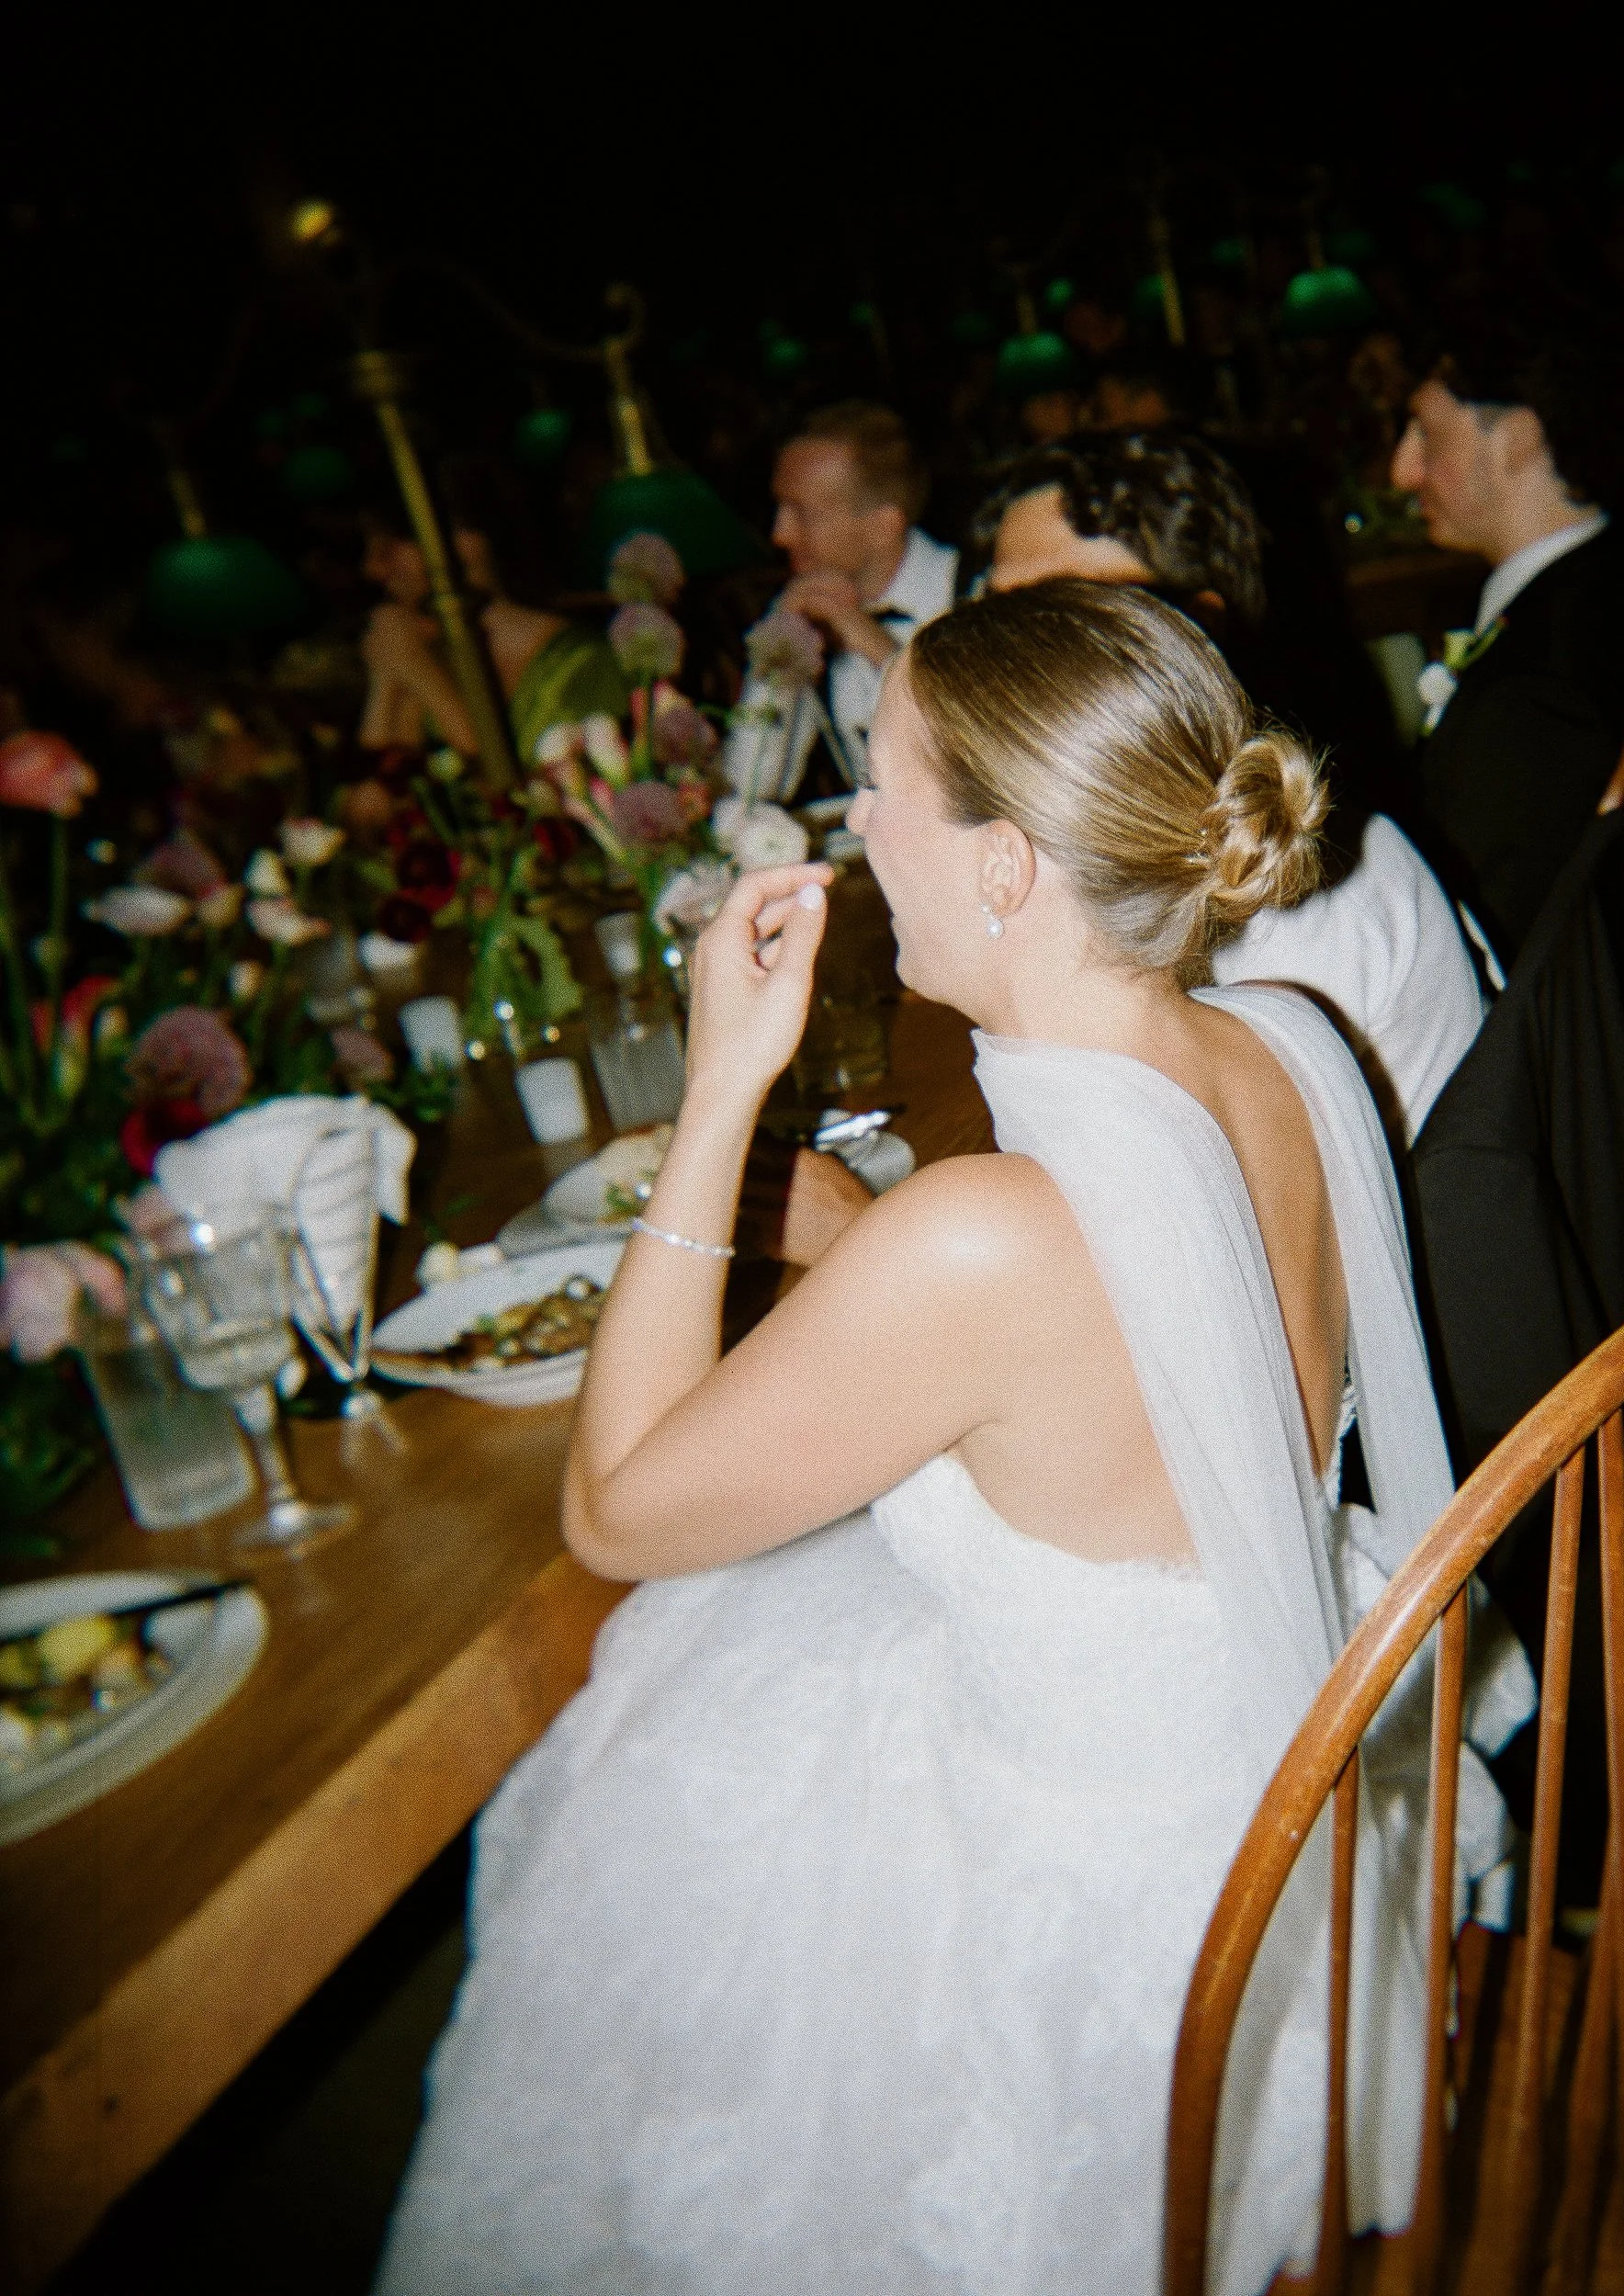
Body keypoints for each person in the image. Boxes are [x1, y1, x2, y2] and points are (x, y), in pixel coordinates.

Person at [378, 582, 1528, 2295]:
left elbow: (613, 1506)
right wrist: (871, 1240)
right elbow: (1134, 1328)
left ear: (1004, 865)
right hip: (1272, 1772)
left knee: (649, 1746)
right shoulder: (1288, 1048)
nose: (855, 819)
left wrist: (718, 1101)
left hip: (1128, 1932)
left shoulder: (986, 1234)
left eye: (884, 780)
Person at [976, 434, 1482, 1144]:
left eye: (1059, 617)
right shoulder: (1124, 838)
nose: (1000, 660)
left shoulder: (1277, 890)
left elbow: (1210, 1228)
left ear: (1196, 629)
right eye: (995, 617)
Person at [1392, 326, 1624, 978]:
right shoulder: (1618, 586)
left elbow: (1498, 952)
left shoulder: (1532, 695)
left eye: (1426, 432)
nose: (1403, 469)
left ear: (1518, 438)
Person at [751, 400, 957, 786]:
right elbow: (754, 785)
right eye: (780, 509)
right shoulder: (809, 610)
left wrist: (872, 643)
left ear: (882, 526)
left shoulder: (979, 591)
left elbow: (988, 757)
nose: (780, 535)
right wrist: (776, 651)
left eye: (802, 513)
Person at [359, 510, 627, 767]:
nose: (374, 570)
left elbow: (509, 787)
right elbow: (376, 797)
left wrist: (417, 670)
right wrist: (385, 678)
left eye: (390, 549)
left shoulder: (581, 664)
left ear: (467, 541)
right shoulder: (427, 653)